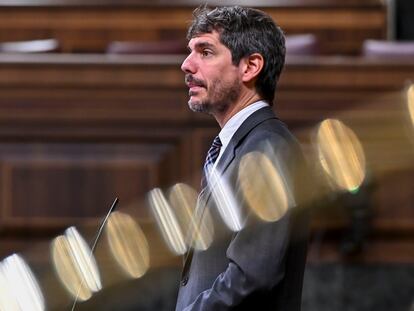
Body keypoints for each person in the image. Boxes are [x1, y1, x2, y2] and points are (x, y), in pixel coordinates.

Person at [176, 6, 310, 311]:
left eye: (205, 52)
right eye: (190, 52)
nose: (186, 64)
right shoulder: (239, 145)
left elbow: (251, 278)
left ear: (250, 67)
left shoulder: (268, 150)